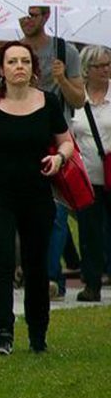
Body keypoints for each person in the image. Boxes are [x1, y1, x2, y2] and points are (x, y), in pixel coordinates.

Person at [0, 41, 79, 355]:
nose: (19, 66)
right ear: (1, 69)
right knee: (1, 262)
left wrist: (60, 159)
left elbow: (66, 142)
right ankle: (1, 334)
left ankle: (38, 333)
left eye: (25, 61)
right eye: (12, 62)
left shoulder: (48, 102)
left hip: (37, 194)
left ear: (33, 68)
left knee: (36, 265)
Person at [70, 46, 111, 302]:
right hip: (86, 178)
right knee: (89, 231)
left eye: (108, 64)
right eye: (100, 66)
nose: (105, 70)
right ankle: (92, 283)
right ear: (87, 69)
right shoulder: (76, 97)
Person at [18, 6, 85, 107]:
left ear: (46, 16)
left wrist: (62, 80)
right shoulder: (11, 52)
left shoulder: (65, 50)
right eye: (22, 15)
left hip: (58, 120)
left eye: (32, 15)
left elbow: (79, 102)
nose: (26, 20)